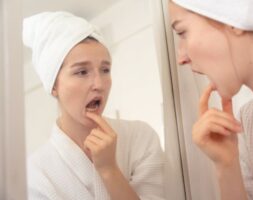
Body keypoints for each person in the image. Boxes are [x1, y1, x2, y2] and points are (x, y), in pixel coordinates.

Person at [23, 11, 164, 200]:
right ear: (53, 86)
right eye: (82, 72)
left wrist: (109, 170)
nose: (99, 84)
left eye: (105, 70)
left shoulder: (140, 137)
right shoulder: (35, 175)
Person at [169, 0, 253, 199]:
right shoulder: (249, 119)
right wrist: (227, 166)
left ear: (233, 18)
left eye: (182, 32)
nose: (181, 58)